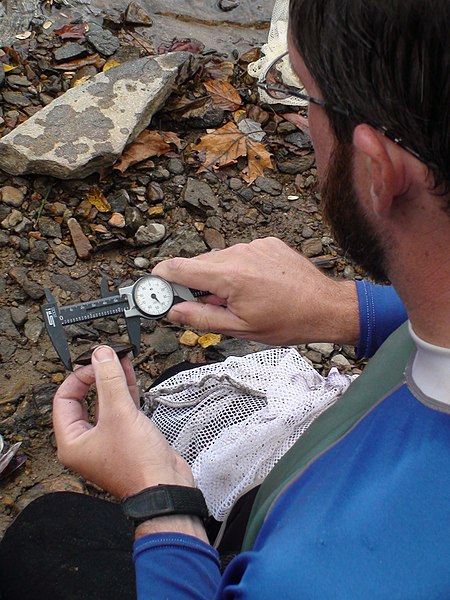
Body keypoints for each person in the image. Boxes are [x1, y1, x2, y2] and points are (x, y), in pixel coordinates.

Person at [1, 0, 450, 597]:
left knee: (47, 534)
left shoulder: (318, 576)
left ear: (378, 167)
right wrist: (350, 312)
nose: (299, 122)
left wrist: (162, 502)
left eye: (302, 96)